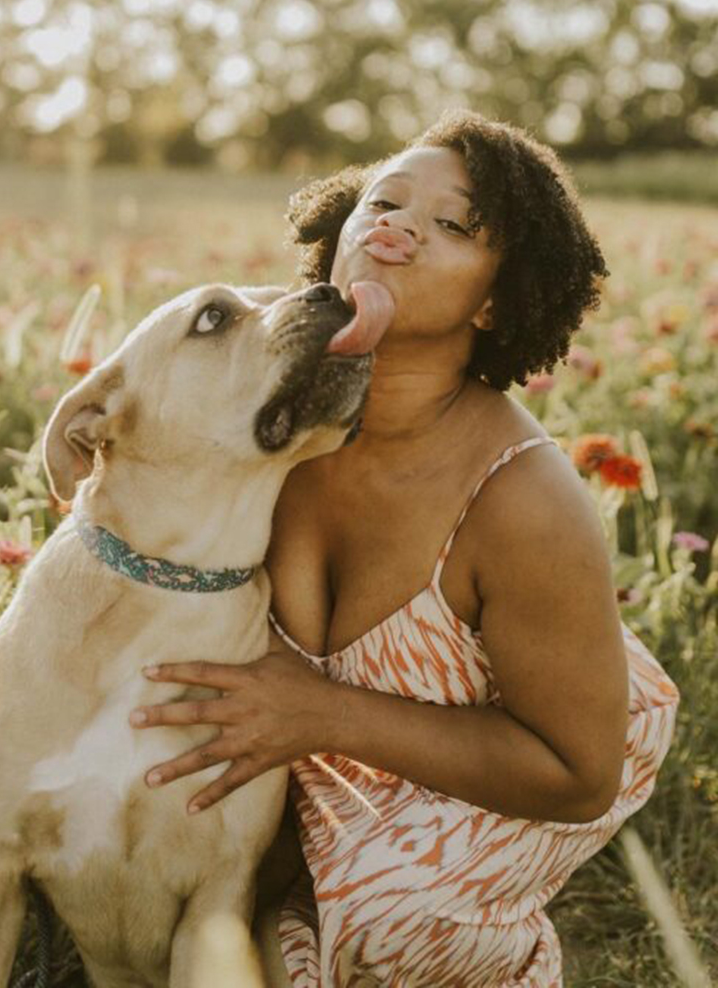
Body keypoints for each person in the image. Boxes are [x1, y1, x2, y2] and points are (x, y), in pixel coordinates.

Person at [131, 110, 680, 986]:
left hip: (522, 742)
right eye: (382, 202)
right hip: (313, 740)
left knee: (383, 924)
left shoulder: (525, 499)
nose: (396, 226)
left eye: (454, 224)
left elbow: (576, 772)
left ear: (499, 296)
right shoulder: (249, 367)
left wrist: (321, 715)